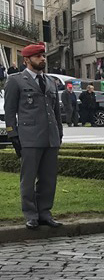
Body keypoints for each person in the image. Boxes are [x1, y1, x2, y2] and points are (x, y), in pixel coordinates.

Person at [4, 43, 63, 229]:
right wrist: (13, 135)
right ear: (26, 60)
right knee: (28, 179)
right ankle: (31, 215)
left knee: (48, 179)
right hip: (29, 137)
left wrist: (59, 133)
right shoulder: (16, 81)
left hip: (50, 137)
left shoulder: (50, 81)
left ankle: (45, 212)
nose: (42, 59)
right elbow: (9, 111)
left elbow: (56, 111)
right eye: (38, 56)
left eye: (43, 56)